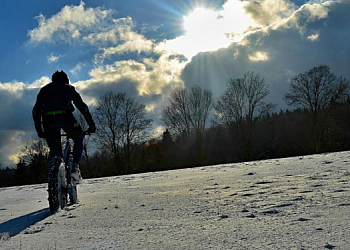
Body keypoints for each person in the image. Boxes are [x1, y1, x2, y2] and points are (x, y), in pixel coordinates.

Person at [32, 70, 96, 182]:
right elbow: (83, 108)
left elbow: (36, 111)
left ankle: (55, 174)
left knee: (55, 149)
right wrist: (91, 125)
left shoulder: (44, 90)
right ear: (66, 79)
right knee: (79, 136)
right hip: (65, 117)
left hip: (48, 119)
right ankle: (75, 167)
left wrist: (40, 130)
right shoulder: (69, 88)